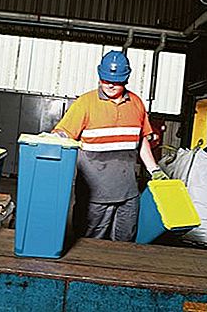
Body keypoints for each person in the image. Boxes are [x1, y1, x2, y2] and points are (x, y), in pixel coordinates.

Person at [53, 50, 168, 242]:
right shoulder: (85, 103)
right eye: (106, 79)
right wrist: (49, 142)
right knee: (89, 245)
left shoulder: (136, 103)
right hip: (95, 196)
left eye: (117, 80)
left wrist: (154, 169)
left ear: (126, 78)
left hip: (129, 193)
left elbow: (141, 141)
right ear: (100, 76)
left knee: (124, 245)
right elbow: (62, 134)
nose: (111, 84)